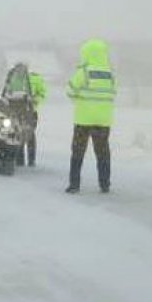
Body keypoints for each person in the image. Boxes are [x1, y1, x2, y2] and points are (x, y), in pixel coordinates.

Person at [65, 39, 116, 193]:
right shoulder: (109, 74)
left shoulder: (84, 72)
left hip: (83, 120)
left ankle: (74, 185)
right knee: (103, 152)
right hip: (103, 121)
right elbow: (113, 94)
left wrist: (80, 101)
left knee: (78, 151)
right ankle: (105, 183)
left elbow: (70, 90)